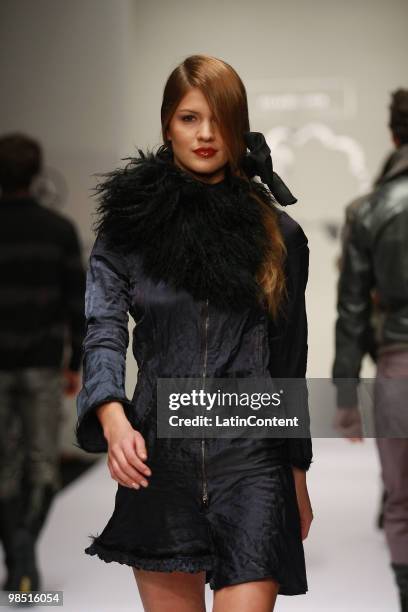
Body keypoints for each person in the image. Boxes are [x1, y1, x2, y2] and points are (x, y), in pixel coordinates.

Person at [76, 54, 313, 612]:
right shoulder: (130, 230)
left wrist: (296, 473)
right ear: (166, 125)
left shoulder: (278, 234)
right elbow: (102, 328)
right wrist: (111, 415)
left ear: (238, 124)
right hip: (162, 462)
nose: (205, 134)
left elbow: (288, 359)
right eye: (188, 118)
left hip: (252, 462)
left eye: (218, 119)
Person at [332, 89, 408, 611]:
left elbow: (353, 310)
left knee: (401, 500)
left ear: (392, 135)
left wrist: (343, 395)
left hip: (398, 366)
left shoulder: (368, 210)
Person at [0, 133, 86, 591]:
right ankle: (25, 556)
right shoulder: (57, 230)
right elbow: (78, 303)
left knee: (4, 464)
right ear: (36, 175)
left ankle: (20, 560)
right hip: (42, 363)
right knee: (42, 462)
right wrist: (76, 362)